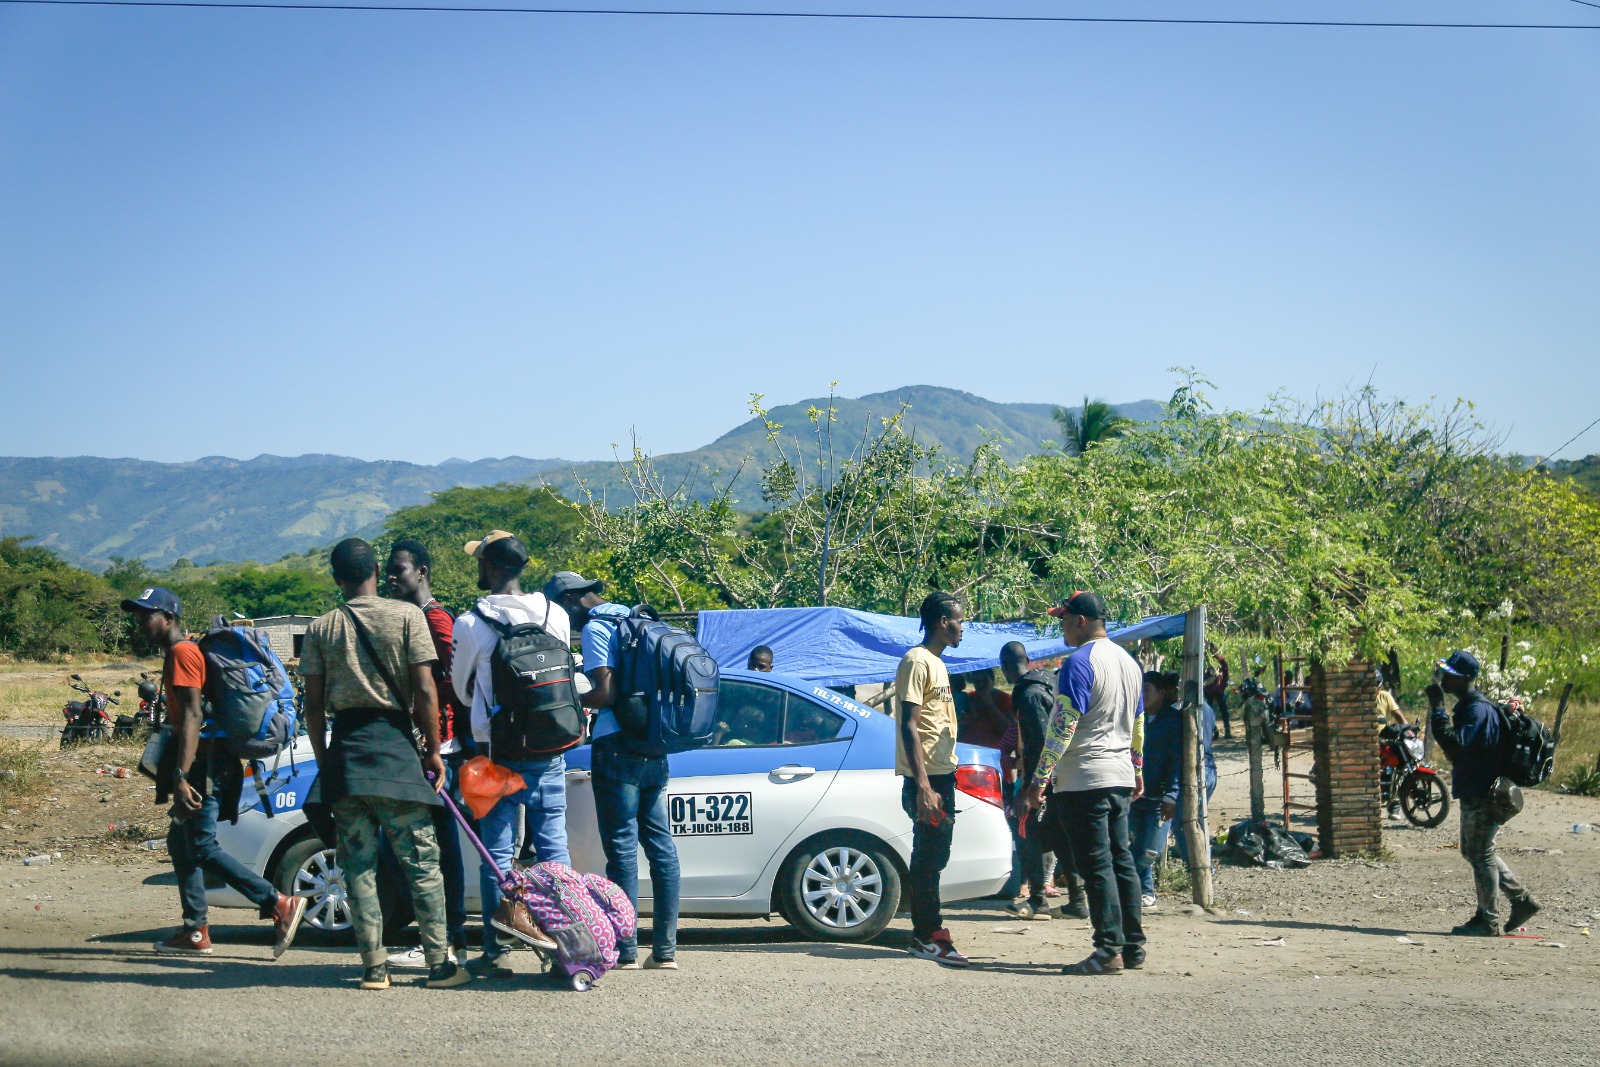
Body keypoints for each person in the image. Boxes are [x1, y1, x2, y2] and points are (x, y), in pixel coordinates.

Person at [300, 538, 468, 991]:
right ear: (377, 569)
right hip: (396, 756)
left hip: (347, 759)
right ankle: (439, 966)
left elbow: (313, 707)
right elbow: (427, 692)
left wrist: (324, 759)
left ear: (336, 579)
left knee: (358, 868)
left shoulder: (321, 629)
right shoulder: (408, 616)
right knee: (422, 866)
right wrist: (434, 750)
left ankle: (374, 969)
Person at [121, 588, 307, 958]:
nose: (141, 622)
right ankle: (195, 931)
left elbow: (192, 715)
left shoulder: (182, 653)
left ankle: (278, 903)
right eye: (139, 615)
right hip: (207, 762)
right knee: (181, 844)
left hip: (205, 766)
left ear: (169, 618)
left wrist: (181, 775)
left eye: (148, 615)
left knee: (203, 847)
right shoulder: (186, 651)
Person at [449, 531, 572, 974]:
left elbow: (462, 691)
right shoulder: (553, 613)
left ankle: (497, 951)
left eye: (480, 561)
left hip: (494, 754)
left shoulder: (471, 623)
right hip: (551, 749)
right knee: (555, 852)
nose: (477, 568)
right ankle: (566, 948)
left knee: (496, 855)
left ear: (494, 567)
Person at [546, 570, 682, 971]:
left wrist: (568, 691)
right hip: (654, 745)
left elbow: (605, 692)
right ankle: (666, 952)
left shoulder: (597, 628)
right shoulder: (640, 617)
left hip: (617, 746)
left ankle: (626, 950)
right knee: (661, 846)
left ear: (570, 601)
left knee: (622, 848)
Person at [1020, 590, 1146, 976]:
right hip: (1119, 774)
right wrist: (1138, 770)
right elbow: (1138, 725)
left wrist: (1038, 780)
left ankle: (1108, 950)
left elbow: (1063, 724)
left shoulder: (1078, 662)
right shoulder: (1129, 662)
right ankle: (1133, 945)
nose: (1060, 626)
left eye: (1063, 619)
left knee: (1097, 866)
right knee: (1121, 861)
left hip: (1084, 777)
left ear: (1080, 621)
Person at [380, 538, 470, 968]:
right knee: (428, 846)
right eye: (389, 570)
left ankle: (448, 938)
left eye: (400, 569)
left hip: (440, 747)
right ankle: (448, 936)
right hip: (428, 745)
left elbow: (450, 683)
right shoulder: (414, 618)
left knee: (439, 847)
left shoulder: (435, 619)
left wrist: (438, 735)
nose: (393, 577)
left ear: (423, 571)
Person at [1427, 650, 1540, 937]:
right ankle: (1520, 900)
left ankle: (1488, 920)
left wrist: (1438, 709)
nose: (1443, 678)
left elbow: (1455, 748)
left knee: (1480, 853)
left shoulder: (1476, 710)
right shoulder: (1474, 706)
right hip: (1481, 789)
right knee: (1475, 850)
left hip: (1483, 792)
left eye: (1449, 674)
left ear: (1465, 678)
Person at [895, 591, 969, 966]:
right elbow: (909, 723)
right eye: (959, 621)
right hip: (928, 780)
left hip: (944, 774)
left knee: (935, 856)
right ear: (942, 622)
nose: (962, 628)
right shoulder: (916, 660)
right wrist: (923, 785)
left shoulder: (938, 663)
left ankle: (929, 931)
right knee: (928, 858)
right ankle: (927, 936)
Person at [1000, 641, 1074, 921]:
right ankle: (1077, 900)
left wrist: (1031, 789)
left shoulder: (1029, 696)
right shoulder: (1049, 683)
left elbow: (1039, 744)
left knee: (1026, 835)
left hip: (1041, 780)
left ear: (1006, 668)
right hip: (1061, 777)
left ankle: (1038, 899)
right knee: (1061, 836)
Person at [1129, 671, 1181, 911]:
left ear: (1161, 693)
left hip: (1159, 798)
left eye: (1147, 690)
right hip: (1134, 796)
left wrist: (1172, 795)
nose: (1142, 695)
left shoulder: (1174, 721)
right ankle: (1144, 894)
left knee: (1150, 850)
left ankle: (1136, 890)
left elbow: (1178, 762)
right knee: (1134, 844)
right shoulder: (1134, 718)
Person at [957, 669, 1012, 749]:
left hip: (992, 750)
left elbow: (1008, 730)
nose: (981, 685)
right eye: (977, 682)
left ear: (992, 680)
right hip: (968, 748)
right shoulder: (969, 698)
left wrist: (989, 704)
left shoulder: (1004, 699)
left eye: (985, 680)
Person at [1203, 648, 1230, 739]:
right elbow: (1203, 680)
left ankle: (1227, 730)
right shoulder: (1205, 669)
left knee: (1224, 711)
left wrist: (1216, 655)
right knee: (1210, 711)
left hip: (1219, 691)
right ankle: (1213, 730)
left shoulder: (1221, 667)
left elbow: (1225, 666)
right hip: (1209, 692)